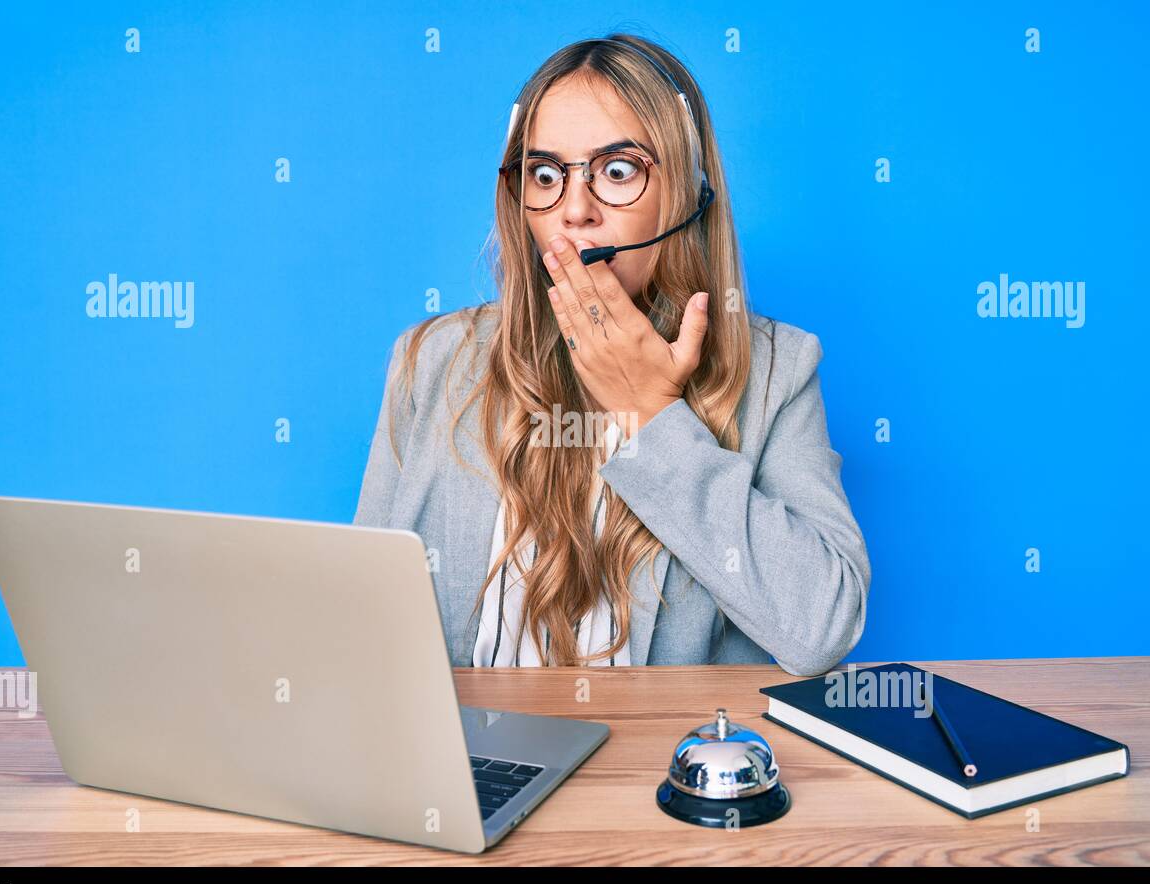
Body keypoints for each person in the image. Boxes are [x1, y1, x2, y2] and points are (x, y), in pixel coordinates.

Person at [354, 33, 870, 675]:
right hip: (466, 768)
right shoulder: (429, 361)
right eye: (546, 175)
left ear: (686, 192)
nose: (575, 211)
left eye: (617, 171)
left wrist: (650, 416)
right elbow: (358, 622)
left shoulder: (778, 371)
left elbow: (821, 629)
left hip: (652, 767)